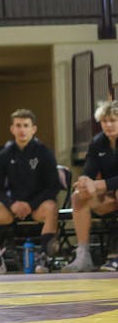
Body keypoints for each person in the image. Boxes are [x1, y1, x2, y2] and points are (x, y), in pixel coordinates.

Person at [0, 109, 61, 275]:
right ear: (12, 129)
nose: (22, 130)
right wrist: (12, 204)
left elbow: (53, 187)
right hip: (13, 207)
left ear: (34, 129)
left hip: (37, 205)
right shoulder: (4, 155)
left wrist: (31, 205)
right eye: (18, 125)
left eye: (26, 126)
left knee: (51, 208)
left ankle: (46, 258)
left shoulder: (44, 152)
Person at [62, 100, 118, 272]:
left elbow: (100, 184)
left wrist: (102, 184)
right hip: (110, 195)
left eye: (113, 120)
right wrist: (84, 182)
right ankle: (83, 255)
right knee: (78, 196)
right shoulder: (97, 142)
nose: (108, 125)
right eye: (104, 121)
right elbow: (89, 171)